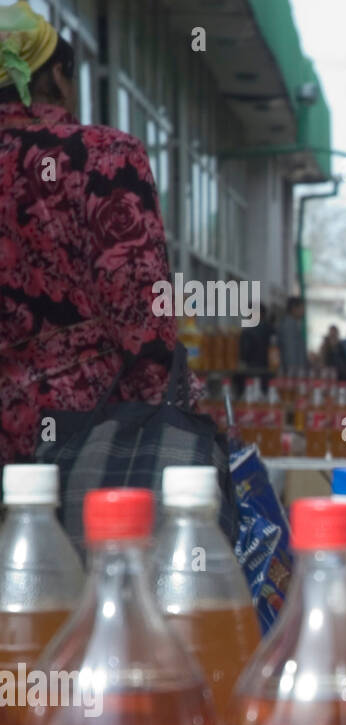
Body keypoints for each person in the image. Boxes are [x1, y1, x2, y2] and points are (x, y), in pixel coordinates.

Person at [0, 2, 201, 467]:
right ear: (59, 79)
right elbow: (138, 308)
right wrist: (177, 406)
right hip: (82, 434)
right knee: (78, 541)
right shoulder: (103, 155)